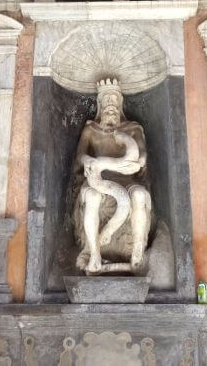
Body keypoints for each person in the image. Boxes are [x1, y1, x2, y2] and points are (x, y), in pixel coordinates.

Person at [72, 78, 152, 274]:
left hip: (127, 181)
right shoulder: (91, 130)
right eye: (106, 101)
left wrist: (119, 163)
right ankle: (94, 252)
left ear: (120, 105)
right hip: (97, 180)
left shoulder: (132, 129)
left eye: (114, 101)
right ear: (100, 105)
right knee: (92, 197)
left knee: (140, 196)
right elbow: (80, 156)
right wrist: (90, 162)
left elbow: (140, 159)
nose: (110, 106)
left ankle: (138, 249)